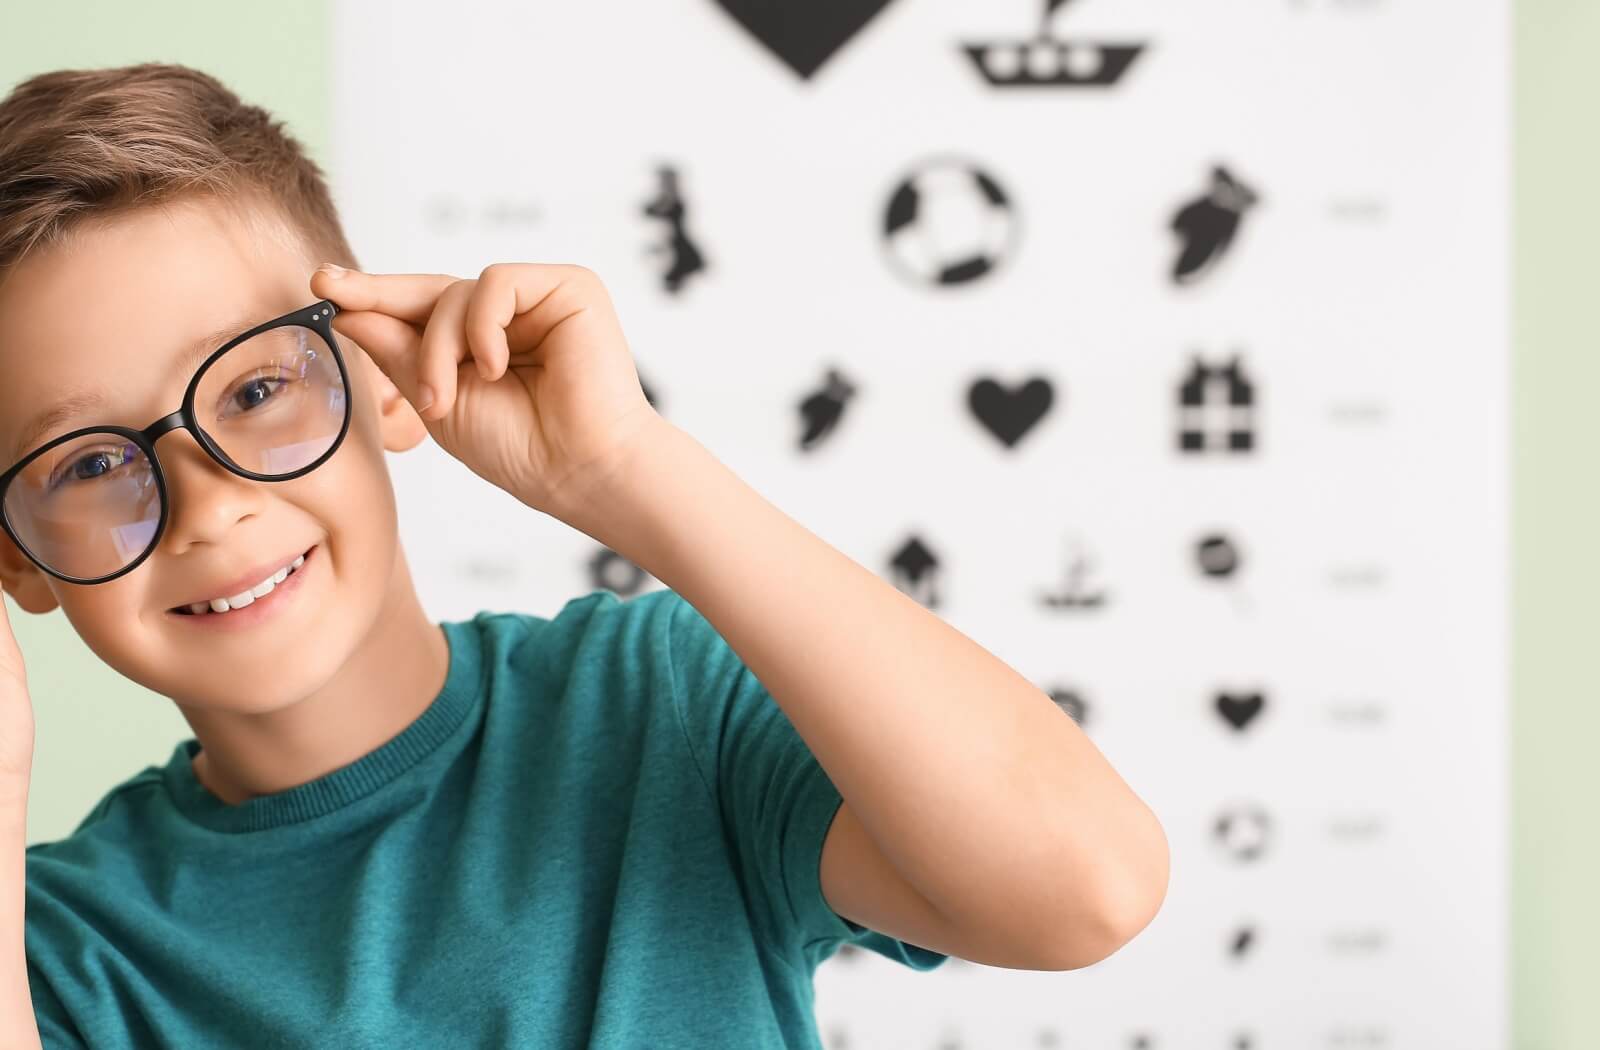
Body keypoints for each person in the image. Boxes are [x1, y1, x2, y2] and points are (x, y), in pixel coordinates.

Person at [0, 63, 1169, 1049]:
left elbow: (1087, 891)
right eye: (88, 465)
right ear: (17, 564)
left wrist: (624, 468)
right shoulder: (59, 942)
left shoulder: (653, 705)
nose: (206, 506)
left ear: (388, 378)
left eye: (257, 389)